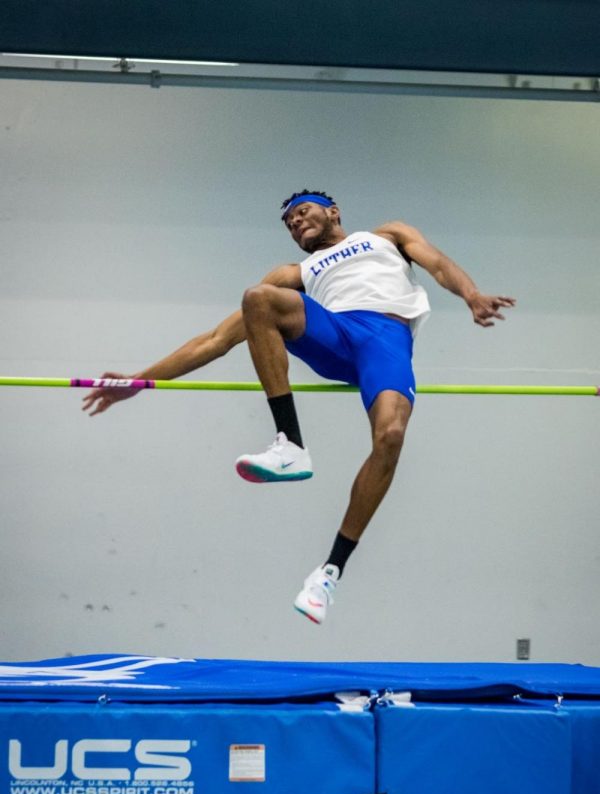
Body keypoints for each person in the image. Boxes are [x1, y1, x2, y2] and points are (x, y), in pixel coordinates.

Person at [83, 189, 515, 624]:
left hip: (385, 341)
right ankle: (289, 444)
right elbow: (215, 340)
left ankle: (329, 573)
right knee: (258, 297)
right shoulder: (297, 272)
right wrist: (139, 381)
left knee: (391, 436)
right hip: (335, 334)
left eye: (301, 213)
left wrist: (471, 295)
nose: (295, 223)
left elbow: (437, 263)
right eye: (288, 223)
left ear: (333, 212)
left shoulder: (388, 235)